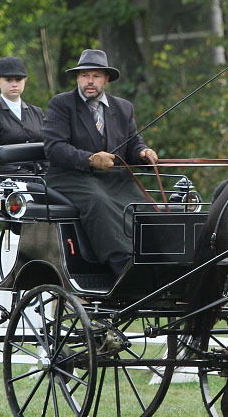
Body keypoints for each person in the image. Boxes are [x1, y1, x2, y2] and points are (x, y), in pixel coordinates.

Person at [42, 49, 159, 276]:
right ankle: (122, 264)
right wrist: (90, 160)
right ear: (77, 78)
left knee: (143, 206)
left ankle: (156, 258)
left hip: (114, 179)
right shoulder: (61, 105)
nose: (90, 81)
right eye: (84, 75)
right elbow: (54, 148)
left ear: (106, 79)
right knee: (99, 201)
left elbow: (133, 143)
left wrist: (144, 152)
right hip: (70, 176)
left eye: (96, 76)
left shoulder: (123, 108)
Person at [0, 56, 45, 182]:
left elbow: (48, 149)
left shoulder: (37, 113)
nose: (14, 84)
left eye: (18, 79)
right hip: (3, 181)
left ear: (25, 81)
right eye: (8, 80)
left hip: (39, 180)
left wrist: (46, 174)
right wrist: (25, 176)